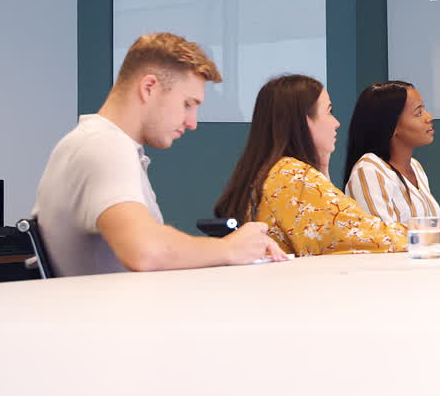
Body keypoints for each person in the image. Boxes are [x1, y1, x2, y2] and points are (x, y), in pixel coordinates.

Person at [32, 33, 286, 276]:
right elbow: (146, 252)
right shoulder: (104, 146)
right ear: (149, 87)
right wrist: (230, 249)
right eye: (188, 104)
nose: (192, 122)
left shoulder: (87, 142)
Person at [213, 74, 440, 255]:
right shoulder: (292, 175)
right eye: (328, 111)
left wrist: (322, 169)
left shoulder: (281, 173)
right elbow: (366, 234)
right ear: (305, 122)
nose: (336, 122)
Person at [343, 81, 440, 239]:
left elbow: (424, 239)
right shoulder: (369, 170)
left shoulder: (415, 167)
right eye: (418, 113)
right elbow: (384, 240)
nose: (429, 117)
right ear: (391, 125)